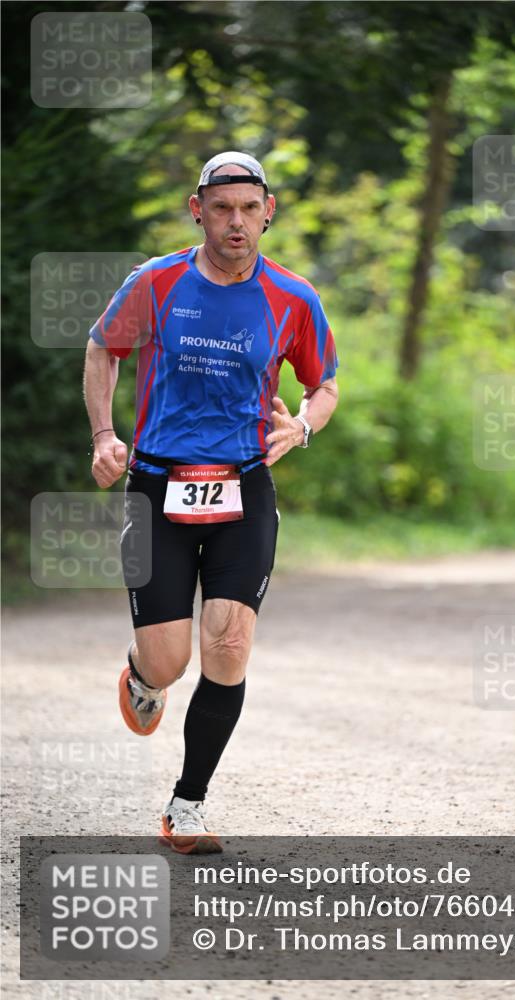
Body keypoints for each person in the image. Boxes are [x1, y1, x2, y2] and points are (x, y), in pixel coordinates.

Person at [84, 151, 339, 853]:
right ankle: (142, 676)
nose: (235, 222)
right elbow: (103, 348)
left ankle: (186, 806)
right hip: (157, 485)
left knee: (227, 645)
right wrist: (105, 434)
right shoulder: (155, 282)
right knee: (169, 662)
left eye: (248, 209)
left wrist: (304, 424)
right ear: (197, 209)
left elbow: (324, 385)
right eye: (221, 208)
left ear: (269, 212)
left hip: (244, 484)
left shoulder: (293, 297)